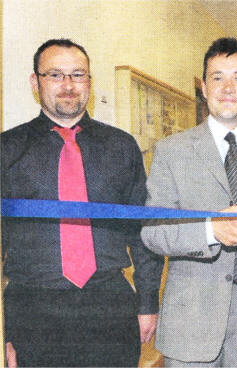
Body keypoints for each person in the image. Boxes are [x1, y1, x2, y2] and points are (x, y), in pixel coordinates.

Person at [1, 39, 163, 367]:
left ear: (89, 81)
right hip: (34, 307)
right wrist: (7, 329)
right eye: (55, 75)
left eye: (78, 75)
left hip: (110, 303)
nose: (68, 85)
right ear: (36, 81)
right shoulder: (7, 149)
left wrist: (147, 303)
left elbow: (143, 231)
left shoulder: (121, 146)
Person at [141, 37, 237, 367]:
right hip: (191, 322)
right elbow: (152, 232)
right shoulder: (171, 151)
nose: (227, 87)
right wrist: (211, 230)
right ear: (204, 88)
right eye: (217, 77)